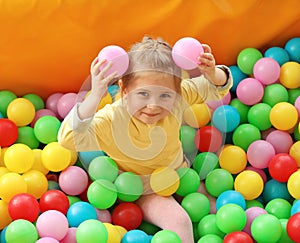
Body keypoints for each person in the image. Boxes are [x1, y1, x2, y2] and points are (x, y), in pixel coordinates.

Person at [58, 36, 232, 242]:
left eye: (165, 96)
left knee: (218, 210)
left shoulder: (179, 97)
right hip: (143, 187)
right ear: (124, 90)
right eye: (143, 94)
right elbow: (68, 139)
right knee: (180, 221)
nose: (153, 105)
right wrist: (95, 96)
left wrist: (213, 72)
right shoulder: (112, 119)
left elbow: (215, 87)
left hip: (180, 173)